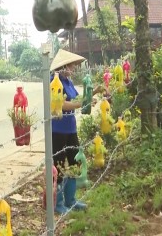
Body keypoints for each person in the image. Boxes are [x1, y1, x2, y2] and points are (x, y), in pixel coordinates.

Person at [49, 49, 102, 214]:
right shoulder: (54, 82)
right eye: (71, 66)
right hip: (57, 130)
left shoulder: (69, 82)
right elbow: (62, 105)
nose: (73, 69)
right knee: (58, 165)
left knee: (74, 162)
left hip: (70, 128)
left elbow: (79, 99)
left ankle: (71, 200)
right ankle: (58, 204)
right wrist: (82, 104)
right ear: (64, 66)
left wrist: (94, 92)